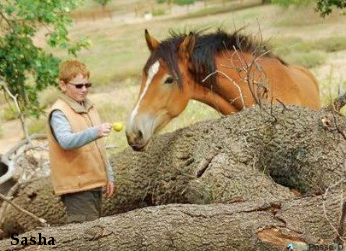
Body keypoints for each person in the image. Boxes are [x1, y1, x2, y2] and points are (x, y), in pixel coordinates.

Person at [47, 60, 115, 223]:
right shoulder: (59, 112)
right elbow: (66, 141)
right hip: (77, 188)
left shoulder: (89, 107)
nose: (84, 90)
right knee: (86, 238)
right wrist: (95, 131)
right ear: (63, 85)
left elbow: (98, 147)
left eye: (87, 85)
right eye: (78, 86)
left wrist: (109, 176)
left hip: (94, 183)